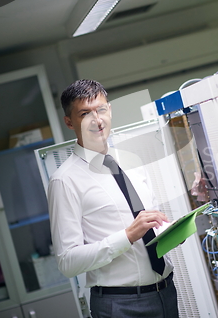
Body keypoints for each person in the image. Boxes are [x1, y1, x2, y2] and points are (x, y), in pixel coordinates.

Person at [47, 79, 178, 318]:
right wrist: (127, 236)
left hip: (166, 293)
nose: (97, 120)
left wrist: (169, 233)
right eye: (85, 113)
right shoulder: (64, 180)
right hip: (120, 305)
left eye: (101, 110)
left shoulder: (131, 160)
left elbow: (149, 225)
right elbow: (67, 262)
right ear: (69, 122)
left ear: (110, 110)